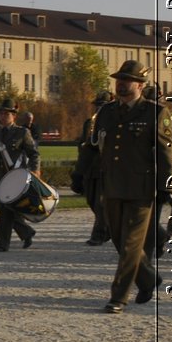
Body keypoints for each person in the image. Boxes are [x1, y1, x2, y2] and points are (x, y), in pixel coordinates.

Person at [91, 60, 172, 313]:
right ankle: (148, 278)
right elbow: (99, 149)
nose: (121, 84)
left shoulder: (155, 112)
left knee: (130, 246)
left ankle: (118, 297)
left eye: (126, 80)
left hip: (141, 188)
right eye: (119, 80)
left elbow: (166, 152)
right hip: (113, 185)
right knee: (117, 239)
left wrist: (167, 186)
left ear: (140, 85)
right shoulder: (106, 112)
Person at [0, 98, 40, 252]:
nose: (3, 116)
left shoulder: (22, 132)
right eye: (1, 113)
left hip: (15, 175)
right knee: (6, 207)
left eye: (7, 113)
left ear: (14, 116)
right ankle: (26, 232)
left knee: (7, 207)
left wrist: (35, 169)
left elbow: (34, 154)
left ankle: (1, 244)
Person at [74, 90, 112, 245]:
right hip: (91, 167)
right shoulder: (89, 122)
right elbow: (85, 144)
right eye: (97, 105)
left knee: (100, 202)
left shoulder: (112, 122)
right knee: (90, 200)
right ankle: (108, 228)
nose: (98, 108)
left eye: (102, 105)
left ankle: (98, 234)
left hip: (105, 166)